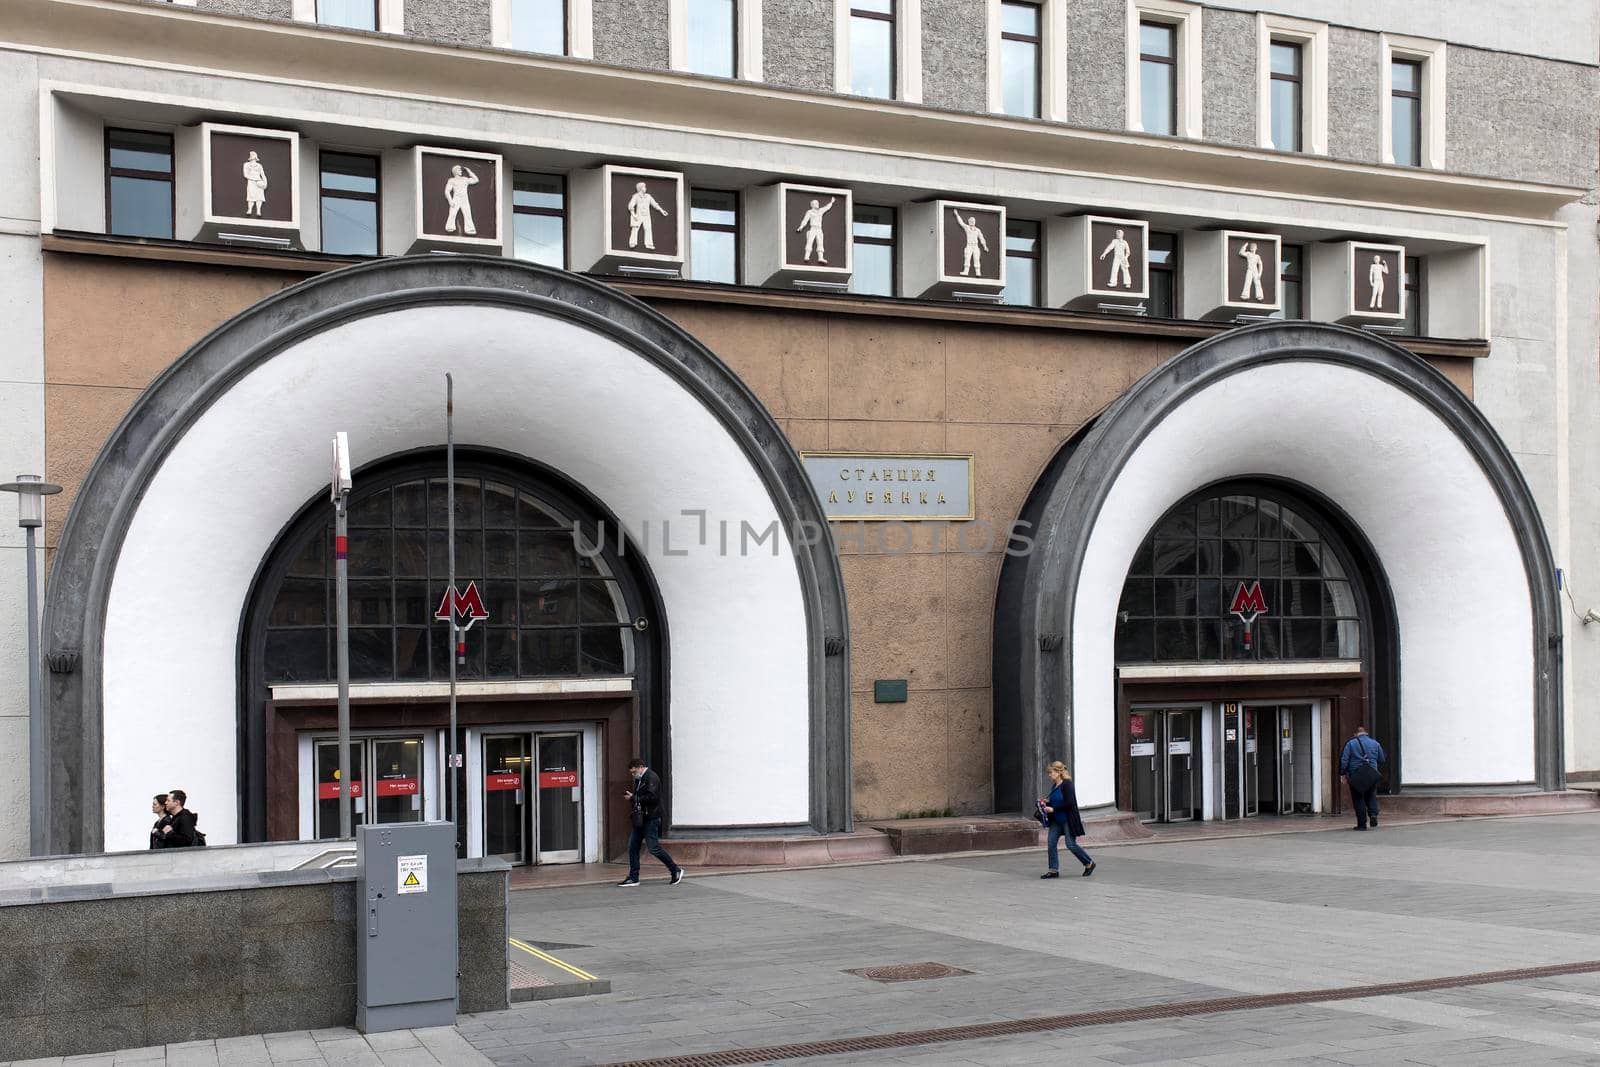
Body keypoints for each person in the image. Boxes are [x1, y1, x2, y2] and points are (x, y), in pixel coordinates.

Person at [617, 757, 684, 887]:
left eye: (633, 771)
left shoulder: (651, 777)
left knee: (653, 848)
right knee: (632, 847)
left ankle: (675, 870)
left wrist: (633, 797)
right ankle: (633, 877)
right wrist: (634, 797)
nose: (633, 774)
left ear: (640, 767)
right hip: (641, 818)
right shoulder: (641, 778)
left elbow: (653, 797)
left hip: (651, 818)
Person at [1038, 761, 1095, 879]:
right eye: (1049, 773)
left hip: (1067, 819)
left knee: (1071, 845)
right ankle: (1053, 870)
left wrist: (1053, 809)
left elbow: (1070, 803)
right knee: (1051, 844)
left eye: (1051, 772)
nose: (1049, 775)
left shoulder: (1067, 784)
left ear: (1058, 772)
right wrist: (1046, 801)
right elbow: (1057, 800)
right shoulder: (1055, 785)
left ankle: (1089, 863)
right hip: (1056, 821)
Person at [1339, 725, 1387, 831]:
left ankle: (1362, 824)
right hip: (1371, 773)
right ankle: (1373, 814)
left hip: (1356, 775)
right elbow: (1382, 759)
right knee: (1371, 795)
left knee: (1358, 798)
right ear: (1366, 733)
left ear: (1355, 734)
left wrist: (1342, 773)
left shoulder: (1350, 743)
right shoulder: (1375, 743)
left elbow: (1344, 760)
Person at [627, 182, 670, 250]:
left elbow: (655, 204)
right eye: (644, 187)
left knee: (648, 229)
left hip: (647, 216)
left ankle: (649, 244)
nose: (645, 188)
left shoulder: (648, 196)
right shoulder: (636, 196)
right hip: (638, 215)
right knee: (635, 229)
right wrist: (633, 215)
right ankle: (632, 242)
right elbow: (630, 206)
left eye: (645, 187)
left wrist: (661, 210)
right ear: (640, 188)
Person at [796, 197, 836, 263]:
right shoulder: (809, 212)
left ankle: (820, 258)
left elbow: (827, 207)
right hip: (813, 229)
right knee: (809, 242)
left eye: (817, 203)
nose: (817, 204)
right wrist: (801, 227)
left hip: (819, 229)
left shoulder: (820, 211)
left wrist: (831, 202)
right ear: (812, 205)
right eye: (815, 203)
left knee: (820, 243)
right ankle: (806, 256)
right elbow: (805, 220)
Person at [444, 164, 479, 235]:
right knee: (452, 213)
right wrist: (450, 200)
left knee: (467, 213)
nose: (461, 171)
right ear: (455, 171)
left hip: (464, 199)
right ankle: (450, 227)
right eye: (459, 170)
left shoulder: (465, 179)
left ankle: (470, 229)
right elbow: (447, 191)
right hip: (456, 198)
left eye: (460, 170)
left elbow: (476, 180)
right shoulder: (452, 180)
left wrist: (469, 171)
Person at [952, 209, 989, 276]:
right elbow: (961, 222)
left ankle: (978, 272)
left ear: (975, 222)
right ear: (969, 222)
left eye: (973, 221)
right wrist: (957, 215)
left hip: (975, 246)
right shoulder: (967, 227)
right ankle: (966, 272)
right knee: (967, 258)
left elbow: (981, 238)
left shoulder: (977, 230)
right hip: (969, 245)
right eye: (970, 221)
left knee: (976, 258)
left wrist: (985, 246)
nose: (972, 222)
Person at [242, 151, 268, 217]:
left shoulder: (259, 165)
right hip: (251, 181)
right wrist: (255, 179)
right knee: (251, 195)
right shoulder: (246, 164)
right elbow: (245, 175)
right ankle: (249, 209)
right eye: (251, 155)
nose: (252, 156)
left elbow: (263, 175)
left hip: (259, 182)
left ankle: (258, 211)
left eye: (254, 154)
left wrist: (265, 183)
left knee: (259, 196)